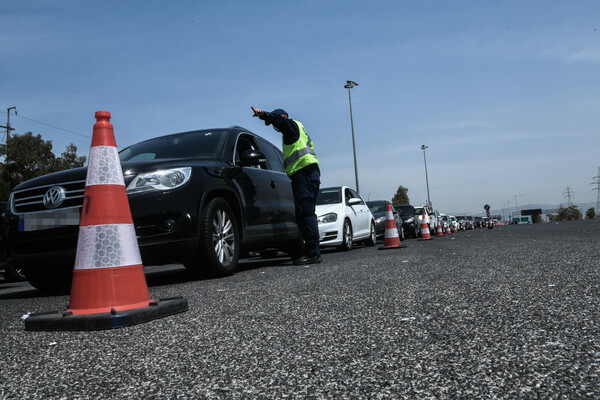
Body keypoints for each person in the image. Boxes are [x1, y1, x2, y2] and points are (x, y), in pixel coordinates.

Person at [251, 107, 322, 265]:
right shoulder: (297, 128)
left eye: (277, 120)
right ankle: (312, 252)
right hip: (309, 174)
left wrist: (264, 115)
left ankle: (313, 254)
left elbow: (281, 122)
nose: (276, 127)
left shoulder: (290, 126)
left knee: (306, 215)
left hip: (304, 174)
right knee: (306, 214)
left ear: (282, 117)